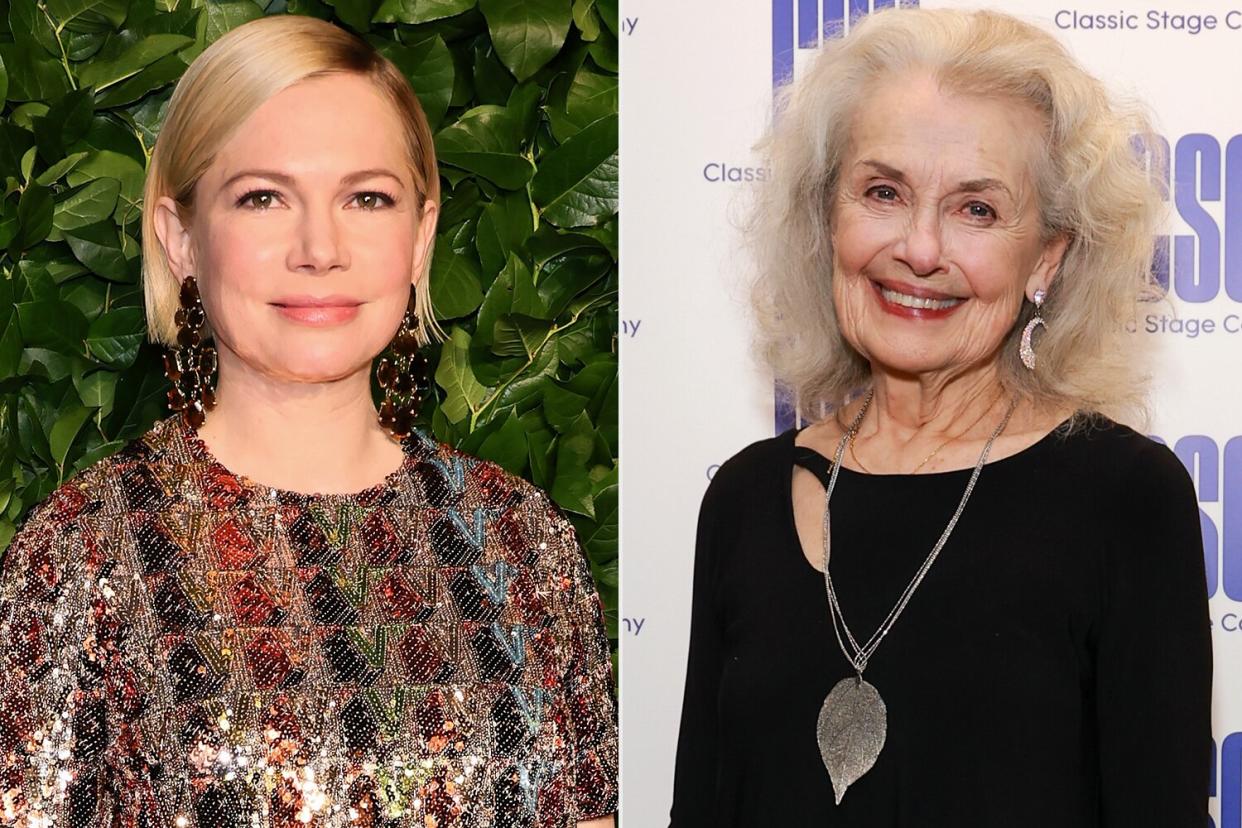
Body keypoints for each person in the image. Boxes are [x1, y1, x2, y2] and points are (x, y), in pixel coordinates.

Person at [0, 15, 617, 828]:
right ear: (180, 238)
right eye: (263, 197)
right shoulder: (81, 555)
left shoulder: (520, 540)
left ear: (421, 236)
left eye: (367, 197)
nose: (319, 247)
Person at [669, 8, 1210, 827]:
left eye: (977, 210)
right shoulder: (743, 499)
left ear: (1049, 257)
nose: (920, 249)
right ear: (828, 219)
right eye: (883, 192)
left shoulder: (1123, 500)